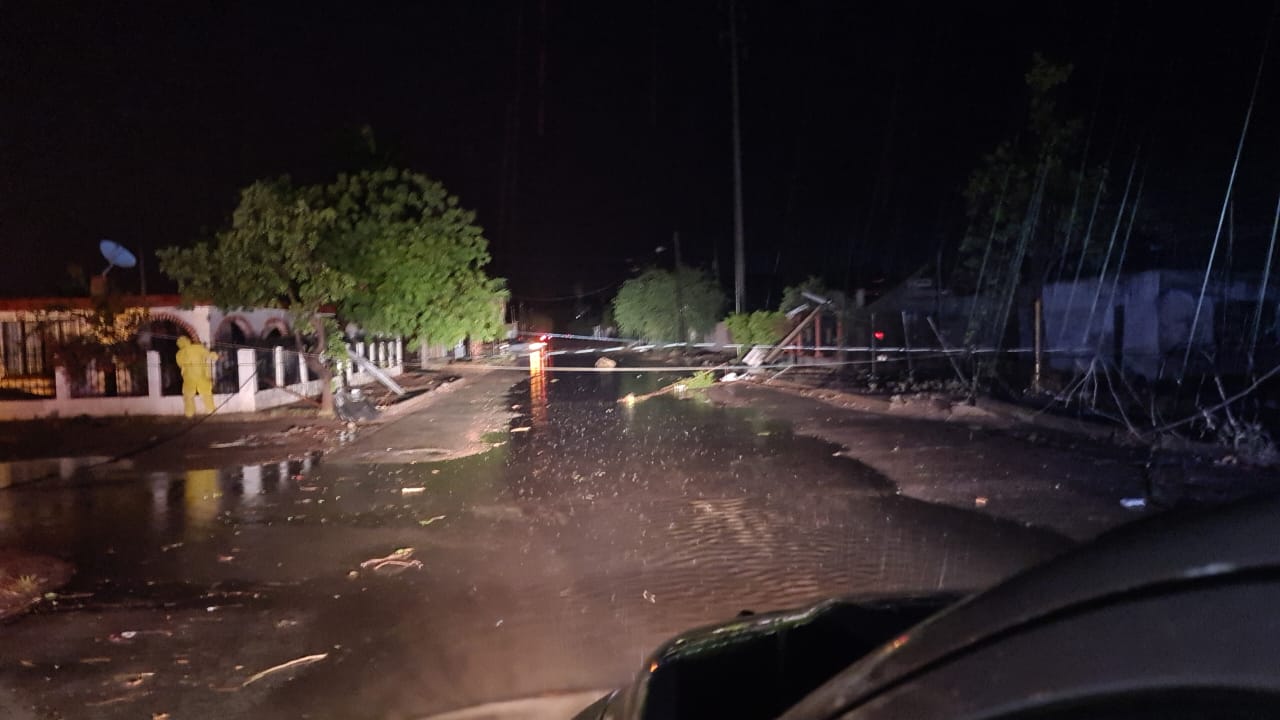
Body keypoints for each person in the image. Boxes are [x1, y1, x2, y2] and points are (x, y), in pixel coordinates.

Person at [175, 336, 216, 417]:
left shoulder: (179, 354)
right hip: (201, 375)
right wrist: (215, 356)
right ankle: (210, 409)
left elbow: (179, 364)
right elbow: (209, 355)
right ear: (188, 341)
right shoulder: (198, 348)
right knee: (206, 393)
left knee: (188, 396)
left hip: (188, 378)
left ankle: (189, 413)